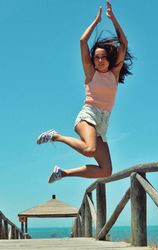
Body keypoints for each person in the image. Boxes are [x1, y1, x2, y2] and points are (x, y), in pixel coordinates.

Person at [37, 1, 133, 184]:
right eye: (96, 57)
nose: (100, 60)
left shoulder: (114, 73)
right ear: (93, 61)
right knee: (89, 150)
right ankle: (55, 136)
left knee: (106, 170)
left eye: (103, 57)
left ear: (109, 59)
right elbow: (82, 41)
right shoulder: (91, 73)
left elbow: (124, 43)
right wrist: (96, 22)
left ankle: (62, 173)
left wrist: (113, 19)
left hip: (103, 122)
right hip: (88, 114)